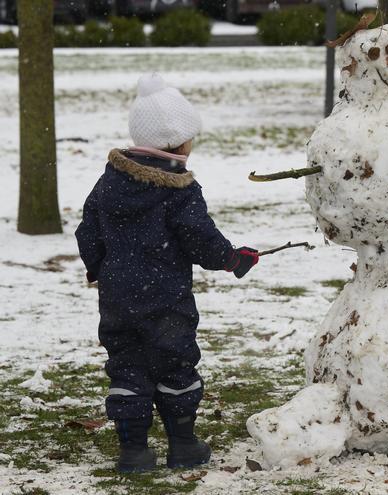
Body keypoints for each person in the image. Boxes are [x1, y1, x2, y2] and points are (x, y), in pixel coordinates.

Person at [75, 74, 260, 472]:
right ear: (177, 143)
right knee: (175, 365)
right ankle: (183, 444)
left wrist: (100, 270)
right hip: (167, 301)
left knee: (126, 367)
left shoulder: (109, 182)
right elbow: (200, 238)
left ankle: (134, 451)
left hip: (119, 300)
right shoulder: (179, 189)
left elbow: (86, 230)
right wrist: (232, 259)